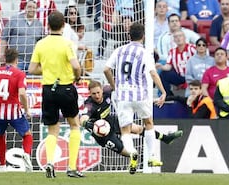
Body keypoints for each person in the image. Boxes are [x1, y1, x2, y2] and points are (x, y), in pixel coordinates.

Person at [104, 23, 167, 174]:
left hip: (123, 96)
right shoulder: (145, 53)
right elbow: (152, 73)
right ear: (143, 36)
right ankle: (151, 156)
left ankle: (132, 152)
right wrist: (163, 91)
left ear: (128, 35)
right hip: (141, 95)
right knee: (149, 123)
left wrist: (114, 86)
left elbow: (106, 69)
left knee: (125, 130)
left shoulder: (119, 51)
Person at [28, 11, 83, 178]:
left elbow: (31, 69)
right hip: (65, 88)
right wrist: (78, 77)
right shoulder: (66, 44)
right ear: (64, 25)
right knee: (74, 124)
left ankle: (50, 162)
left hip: (48, 89)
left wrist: (48, 69)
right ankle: (71, 167)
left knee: (53, 129)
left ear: (48, 25)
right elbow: (76, 65)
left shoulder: (41, 44)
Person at [80, 80, 183, 156]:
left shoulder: (107, 90)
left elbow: (120, 83)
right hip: (102, 134)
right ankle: (136, 158)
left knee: (138, 128)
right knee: (125, 151)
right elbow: (82, 118)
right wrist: (86, 123)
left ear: (102, 90)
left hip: (111, 121)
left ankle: (166, 138)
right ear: (89, 93)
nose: (97, 96)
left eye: (98, 92)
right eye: (94, 94)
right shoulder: (90, 105)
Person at [0, 0, 44, 71]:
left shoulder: (39, 25)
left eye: (34, 8)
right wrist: (1, 54)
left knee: (31, 82)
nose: (31, 9)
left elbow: (41, 43)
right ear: (25, 8)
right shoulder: (14, 20)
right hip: (16, 61)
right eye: (29, 7)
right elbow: (4, 38)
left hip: (32, 62)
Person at [156, 30, 196, 96]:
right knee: (163, 74)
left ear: (184, 37)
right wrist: (161, 67)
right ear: (174, 40)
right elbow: (168, 66)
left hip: (192, 75)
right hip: (180, 76)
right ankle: (167, 95)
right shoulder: (172, 52)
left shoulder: (192, 48)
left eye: (180, 36)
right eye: (176, 37)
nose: (178, 38)